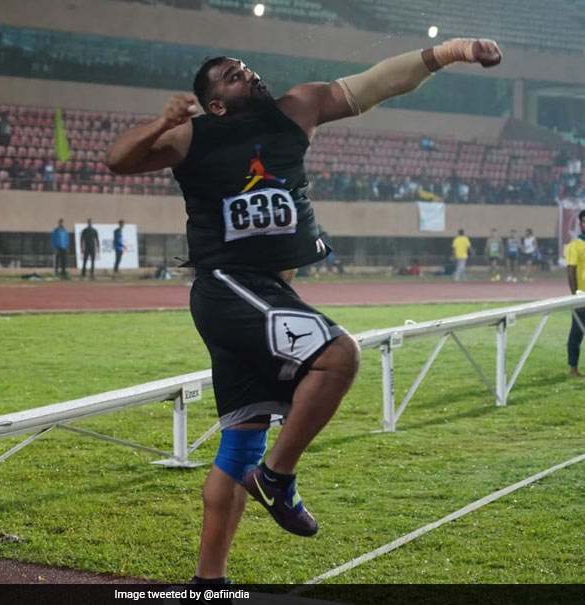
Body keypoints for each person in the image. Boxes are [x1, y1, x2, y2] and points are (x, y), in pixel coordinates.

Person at [105, 37, 501, 583]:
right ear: (214, 102)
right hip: (228, 286)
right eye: (230, 75)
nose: (246, 72)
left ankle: (209, 582)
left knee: (240, 442)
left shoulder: (299, 108)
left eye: (245, 66)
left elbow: (379, 82)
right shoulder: (193, 134)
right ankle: (277, 479)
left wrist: (451, 51)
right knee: (339, 356)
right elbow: (117, 160)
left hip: (265, 290)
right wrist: (160, 120)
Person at [565, 210, 585, 377]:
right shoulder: (575, 245)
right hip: (582, 297)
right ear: (580, 224)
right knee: (577, 332)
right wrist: (576, 296)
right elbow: (571, 271)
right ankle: (573, 368)